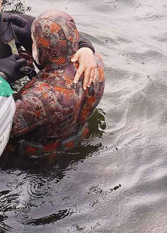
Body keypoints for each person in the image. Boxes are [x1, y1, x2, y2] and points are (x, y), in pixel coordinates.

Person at [9, 11, 105, 154]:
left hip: (40, 155)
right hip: (79, 136)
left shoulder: (38, 99)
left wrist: (1, 75)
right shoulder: (94, 61)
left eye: (34, 41)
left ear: (41, 48)